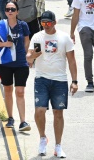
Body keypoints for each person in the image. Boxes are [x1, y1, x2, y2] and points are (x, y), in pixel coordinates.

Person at [26, 11, 78, 158]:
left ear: (54, 22)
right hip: (41, 78)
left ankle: (58, 146)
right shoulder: (37, 37)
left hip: (59, 80)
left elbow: (72, 60)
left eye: (48, 23)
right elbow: (29, 58)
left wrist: (74, 81)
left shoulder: (64, 38)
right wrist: (32, 56)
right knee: (40, 110)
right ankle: (43, 138)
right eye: (43, 23)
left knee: (58, 113)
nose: (46, 26)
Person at [0, 1, 31, 132]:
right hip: (6, 63)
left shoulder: (23, 25)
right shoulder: (0, 25)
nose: (10, 11)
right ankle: (10, 118)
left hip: (20, 63)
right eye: (8, 9)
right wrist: (5, 44)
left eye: (13, 9)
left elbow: (27, 41)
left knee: (20, 91)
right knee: (8, 91)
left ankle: (23, 121)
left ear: (17, 11)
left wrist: (26, 55)